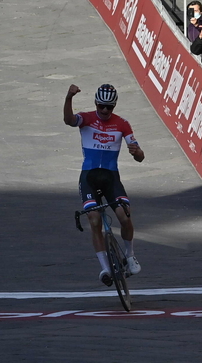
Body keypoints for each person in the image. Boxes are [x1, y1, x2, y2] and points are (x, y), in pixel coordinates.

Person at [63, 84, 144, 285]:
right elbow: (68, 120)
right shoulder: (87, 118)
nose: (105, 111)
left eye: (109, 107)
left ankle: (130, 255)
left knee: (124, 216)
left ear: (114, 106)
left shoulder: (123, 124)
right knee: (94, 220)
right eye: (101, 106)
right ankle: (105, 268)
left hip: (111, 177)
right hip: (89, 176)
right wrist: (68, 98)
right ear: (96, 104)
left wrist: (137, 153)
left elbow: (140, 155)